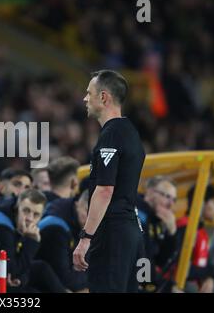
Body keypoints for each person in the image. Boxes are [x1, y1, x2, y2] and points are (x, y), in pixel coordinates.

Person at [73, 70, 145, 293]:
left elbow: (105, 190)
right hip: (132, 234)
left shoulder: (112, 134)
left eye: (89, 93)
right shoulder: (131, 133)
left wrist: (86, 238)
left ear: (103, 97)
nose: (85, 98)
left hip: (113, 234)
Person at [0, 189, 69, 292]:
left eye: (36, 214)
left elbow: (22, 269)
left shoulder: (18, 225)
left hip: (3, 275)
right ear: (17, 207)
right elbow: (10, 272)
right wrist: (31, 242)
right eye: (26, 211)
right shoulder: (3, 227)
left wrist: (21, 280)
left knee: (41, 267)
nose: (30, 218)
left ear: (41, 216)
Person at [37, 190, 90, 292]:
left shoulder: (77, 220)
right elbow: (65, 279)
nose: (90, 219)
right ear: (78, 203)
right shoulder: (56, 228)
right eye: (87, 211)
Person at [172, 184, 214, 293]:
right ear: (201, 202)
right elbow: (181, 268)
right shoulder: (184, 228)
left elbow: (202, 265)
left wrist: (210, 277)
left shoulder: (201, 231)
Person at [136, 176, 178, 292]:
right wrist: (152, 287)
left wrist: (172, 232)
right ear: (150, 192)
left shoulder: (158, 221)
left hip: (146, 281)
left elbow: (162, 261)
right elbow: (142, 258)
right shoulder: (136, 211)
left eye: (174, 200)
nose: (170, 204)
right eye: (167, 196)